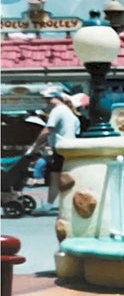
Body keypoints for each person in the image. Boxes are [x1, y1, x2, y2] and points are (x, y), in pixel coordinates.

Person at [28, 86, 80, 214]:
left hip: (61, 148)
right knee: (69, 176)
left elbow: (48, 129)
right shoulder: (69, 113)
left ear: (57, 98)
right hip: (71, 147)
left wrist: (35, 145)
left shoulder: (57, 111)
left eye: (49, 99)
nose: (47, 102)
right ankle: (69, 203)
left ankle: (48, 205)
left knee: (55, 177)